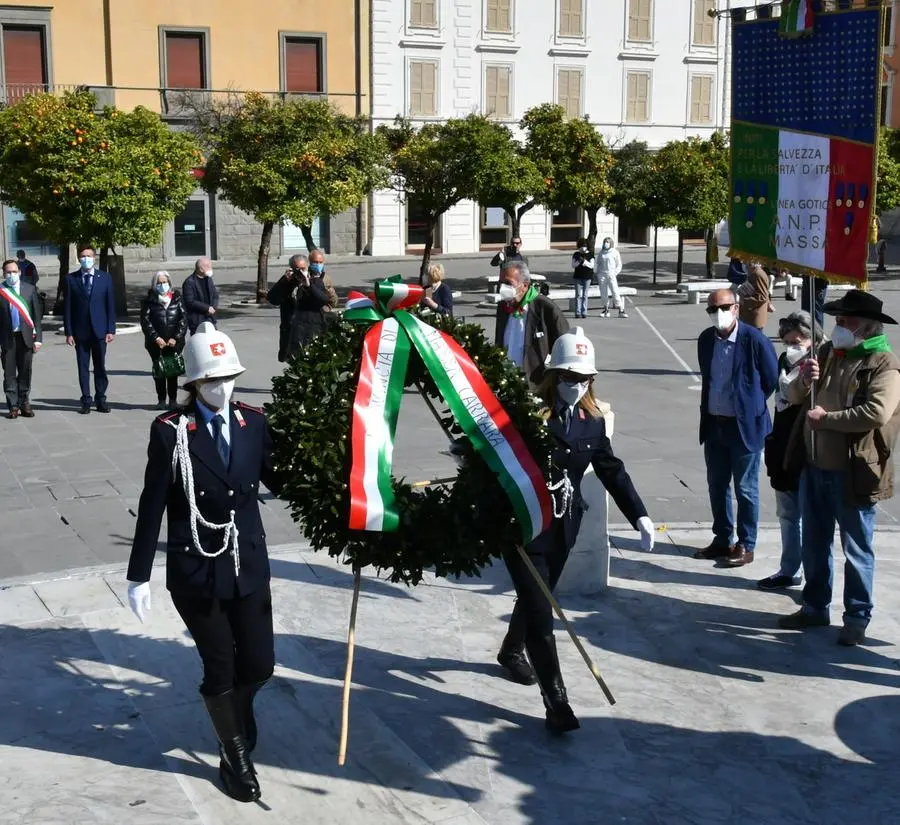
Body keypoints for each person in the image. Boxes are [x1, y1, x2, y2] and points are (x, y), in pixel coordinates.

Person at [126, 322, 281, 803]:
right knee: (219, 666)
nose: (223, 387)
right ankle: (233, 756)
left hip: (248, 564)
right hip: (197, 568)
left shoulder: (253, 422)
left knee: (258, 664)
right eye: (212, 380)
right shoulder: (171, 432)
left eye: (229, 377)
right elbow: (153, 501)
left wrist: (346, 509)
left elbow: (282, 479)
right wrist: (138, 575)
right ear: (193, 383)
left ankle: (236, 709)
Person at [496, 327, 655, 732]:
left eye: (582, 379)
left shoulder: (592, 421)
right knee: (540, 611)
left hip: (565, 525)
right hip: (525, 526)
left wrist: (639, 515)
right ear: (552, 376)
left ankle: (511, 649)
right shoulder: (526, 415)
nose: (575, 385)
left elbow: (610, 469)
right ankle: (557, 704)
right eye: (568, 377)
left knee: (539, 594)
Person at [779, 290, 900, 646]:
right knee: (814, 541)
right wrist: (805, 379)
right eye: (838, 320)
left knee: (856, 547)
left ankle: (857, 617)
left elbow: (876, 413)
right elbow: (797, 398)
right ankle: (815, 607)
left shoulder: (883, 363)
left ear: (866, 326)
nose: (839, 327)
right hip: (814, 465)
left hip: (854, 471)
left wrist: (827, 419)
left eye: (846, 321)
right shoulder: (828, 352)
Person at [694, 289, 778, 567]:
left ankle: (746, 543)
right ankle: (722, 539)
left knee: (745, 488)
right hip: (715, 424)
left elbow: (770, 379)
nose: (718, 313)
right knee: (717, 485)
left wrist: (748, 405)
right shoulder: (706, 340)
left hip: (744, 427)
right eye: (712, 309)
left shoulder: (754, 340)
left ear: (736, 309)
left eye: (724, 307)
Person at [758, 312, 821, 591]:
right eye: (788, 341)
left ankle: (813, 577)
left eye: (800, 340)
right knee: (787, 515)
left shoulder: (821, 365)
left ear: (813, 339)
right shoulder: (785, 361)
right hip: (782, 446)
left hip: (807, 449)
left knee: (811, 518)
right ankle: (789, 569)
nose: (793, 346)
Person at [495, 261, 569, 390]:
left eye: (508, 283)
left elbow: (565, 346)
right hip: (506, 384)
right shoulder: (503, 307)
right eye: (500, 283)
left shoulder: (546, 308)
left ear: (524, 286)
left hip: (535, 386)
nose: (502, 288)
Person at [63, 245, 116, 414]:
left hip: (100, 330)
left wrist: (110, 329)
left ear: (94, 258)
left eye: (89, 255)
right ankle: (86, 400)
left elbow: (110, 306)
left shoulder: (105, 278)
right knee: (83, 367)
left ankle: (101, 399)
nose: (86, 258)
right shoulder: (71, 279)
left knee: (100, 366)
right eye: (83, 256)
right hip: (80, 332)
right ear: (79, 259)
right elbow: (68, 308)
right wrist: (69, 332)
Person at [267, 251, 337, 358]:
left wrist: (308, 285)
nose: (300, 273)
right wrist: (284, 281)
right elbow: (272, 299)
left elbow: (323, 299)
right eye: (297, 270)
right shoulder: (287, 282)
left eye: (303, 269)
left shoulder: (315, 281)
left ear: (308, 267)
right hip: (291, 334)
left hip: (310, 333)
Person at [0, 258, 42, 418]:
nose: (11, 275)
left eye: (14, 271)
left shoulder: (30, 289)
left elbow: (37, 317)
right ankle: (13, 406)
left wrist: (38, 339)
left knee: (25, 371)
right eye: (8, 272)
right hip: (7, 339)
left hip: (26, 338)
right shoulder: (1, 291)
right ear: (4, 274)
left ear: (20, 272)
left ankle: (24, 402)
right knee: (9, 373)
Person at [140, 271, 188, 410]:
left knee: (172, 371)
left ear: (169, 283)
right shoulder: (149, 300)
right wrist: (156, 338)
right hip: (156, 344)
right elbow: (145, 321)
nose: (162, 285)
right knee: (160, 371)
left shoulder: (177, 298)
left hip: (174, 343)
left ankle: (173, 400)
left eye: (164, 282)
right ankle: (161, 399)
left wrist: (176, 337)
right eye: (159, 283)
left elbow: (183, 320)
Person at [182, 258, 219, 335]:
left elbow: (215, 295)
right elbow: (190, 301)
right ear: (201, 269)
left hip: (210, 318)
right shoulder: (189, 282)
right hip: (197, 320)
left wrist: (214, 307)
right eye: (208, 267)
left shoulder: (208, 279)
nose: (211, 269)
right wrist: (207, 308)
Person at [595, 236, 626, 319]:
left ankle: (621, 310)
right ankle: (606, 309)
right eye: (605, 242)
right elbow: (598, 264)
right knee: (603, 293)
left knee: (615, 292)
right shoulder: (601, 253)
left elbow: (619, 264)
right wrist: (598, 273)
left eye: (608, 242)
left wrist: (614, 273)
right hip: (602, 275)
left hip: (611, 274)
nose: (606, 243)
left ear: (611, 243)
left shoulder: (615, 252)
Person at [737, 263, 775, 331]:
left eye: (746, 261)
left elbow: (762, 297)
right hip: (751, 316)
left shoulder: (757, 274)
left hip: (754, 317)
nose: (744, 264)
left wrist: (744, 300)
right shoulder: (753, 273)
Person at [570, 237, 595, 319]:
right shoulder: (576, 254)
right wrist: (578, 261)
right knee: (578, 295)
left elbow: (592, 266)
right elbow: (573, 265)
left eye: (584, 245)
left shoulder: (590, 254)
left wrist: (584, 261)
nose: (582, 248)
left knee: (585, 295)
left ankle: (584, 312)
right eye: (581, 246)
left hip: (587, 277)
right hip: (578, 276)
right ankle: (577, 312)